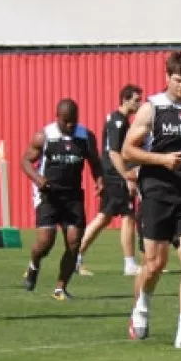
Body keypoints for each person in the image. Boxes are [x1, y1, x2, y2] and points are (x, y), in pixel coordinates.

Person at [122, 52, 181, 349]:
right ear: (167, 78)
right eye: (178, 81)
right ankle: (141, 308)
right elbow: (128, 151)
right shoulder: (152, 109)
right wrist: (161, 159)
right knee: (154, 264)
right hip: (157, 194)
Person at [20, 99, 103, 300]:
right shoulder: (45, 136)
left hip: (73, 196)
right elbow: (25, 161)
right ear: (57, 117)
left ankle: (60, 288)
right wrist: (37, 178)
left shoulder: (85, 137)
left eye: (74, 120)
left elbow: (95, 163)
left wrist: (100, 181)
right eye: (66, 121)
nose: (70, 125)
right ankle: (33, 265)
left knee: (74, 243)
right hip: (48, 195)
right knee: (45, 242)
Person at [77, 84, 143, 277]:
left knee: (104, 217)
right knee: (128, 216)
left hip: (111, 175)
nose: (140, 103)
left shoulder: (118, 120)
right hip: (116, 175)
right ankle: (129, 264)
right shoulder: (119, 122)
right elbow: (114, 153)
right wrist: (128, 176)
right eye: (137, 100)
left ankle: (76, 256)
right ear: (125, 99)